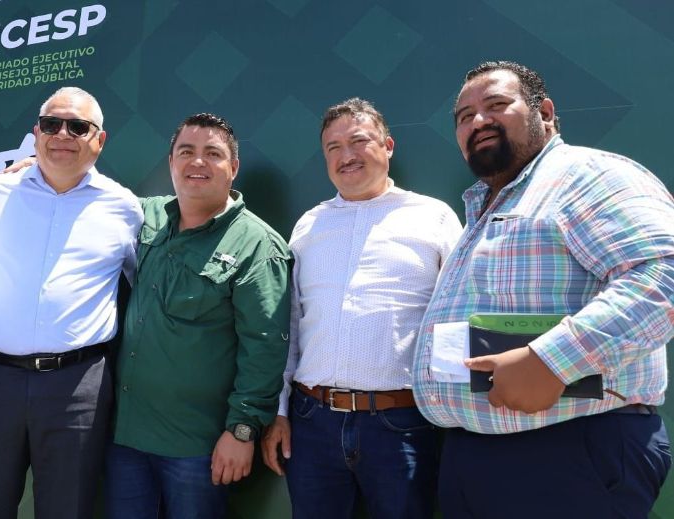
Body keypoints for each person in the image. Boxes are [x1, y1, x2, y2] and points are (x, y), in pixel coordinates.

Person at [413, 60, 674, 518]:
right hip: (473, 456)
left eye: (496, 104)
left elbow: (663, 274)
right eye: (464, 116)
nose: (478, 121)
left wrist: (554, 360)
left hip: (566, 455)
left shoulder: (585, 176)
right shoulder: (484, 205)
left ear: (545, 113)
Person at [260, 98, 462, 518]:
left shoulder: (434, 218)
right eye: (333, 147)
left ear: (388, 145)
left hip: (401, 425)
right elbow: (291, 327)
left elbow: (458, 318)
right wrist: (279, 411)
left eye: (358, 141)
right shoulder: (309, 226)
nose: (346, 155)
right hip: (311, 424)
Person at [0, 87, 142, 519]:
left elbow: (141, 286)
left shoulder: (125, 208)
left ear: (100, 139)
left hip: (78, 386)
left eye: (78, 127)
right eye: (51, 124)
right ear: (36, 133)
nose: (62, 134)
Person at [104, 113, 292, 519]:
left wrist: (242, 431)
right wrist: (34, 167)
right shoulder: (145, 215)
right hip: (125, 440)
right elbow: (82, 195)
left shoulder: (258, 245)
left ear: (233, 167)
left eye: (213, 153)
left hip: (196, 450)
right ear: (171, 161)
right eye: (186, 152)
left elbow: (264, 349)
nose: (198, 162)